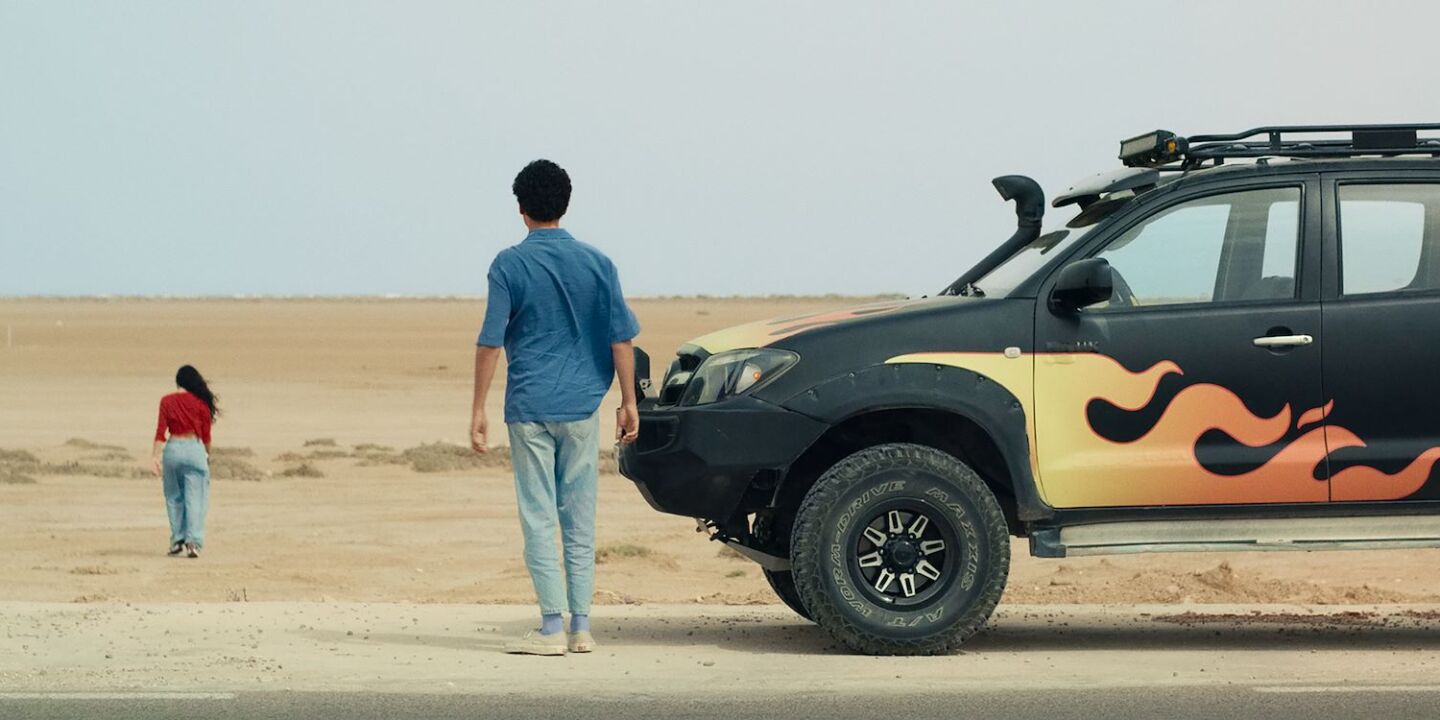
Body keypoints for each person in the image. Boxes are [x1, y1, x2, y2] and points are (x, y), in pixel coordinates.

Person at [471, 159, 641, 656]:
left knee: (538, 515)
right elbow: (621, 339)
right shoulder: (598, 263)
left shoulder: (508, 264)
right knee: (579, 514)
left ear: (521, 209)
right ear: (565, 205)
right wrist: (628, 401)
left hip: (529, 406)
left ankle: (551, 627)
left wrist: (477, 408)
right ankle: (580, 627)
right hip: (583, 405)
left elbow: (490, 342)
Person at [151, 365, 218, 559]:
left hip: (173, 449)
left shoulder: (166, 401)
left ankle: (177, 539)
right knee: (195, 498)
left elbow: (160, 432)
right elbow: (206, 436)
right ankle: (193, 542)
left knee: (173, 496)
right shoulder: (201, 403)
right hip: (193, 448)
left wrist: (155, 457)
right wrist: (207, 455)